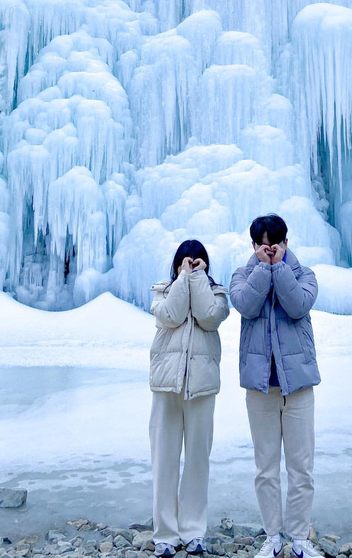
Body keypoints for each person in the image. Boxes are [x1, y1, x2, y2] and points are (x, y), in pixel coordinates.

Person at [230, 214, 321, 558]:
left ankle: (299, 538)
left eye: (276, 243)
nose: (269, 250)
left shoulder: (304, 274)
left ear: (286, 242)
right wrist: (264, 270)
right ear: (253, 246)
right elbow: (246, 304)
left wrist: (280, 269)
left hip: (297, 386)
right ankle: (273, 537)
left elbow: (298, 305)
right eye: (263, 245)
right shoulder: (242, 276)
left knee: (301, 467)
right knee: (265, 468)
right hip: (260, 389)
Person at [149, 239, 229, 558]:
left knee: (198, 460)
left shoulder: (218, 294)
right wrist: (183, 280)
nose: (190, 264)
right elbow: (171, 315)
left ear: (205, 265)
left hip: (202, 387)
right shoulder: (163, 292)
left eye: (196, 262)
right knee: (164, 461)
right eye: (185, 261)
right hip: (166, 386)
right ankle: (165, 533)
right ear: (176, 264)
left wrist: (197, 281)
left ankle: (194, 530)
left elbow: (209, 316)